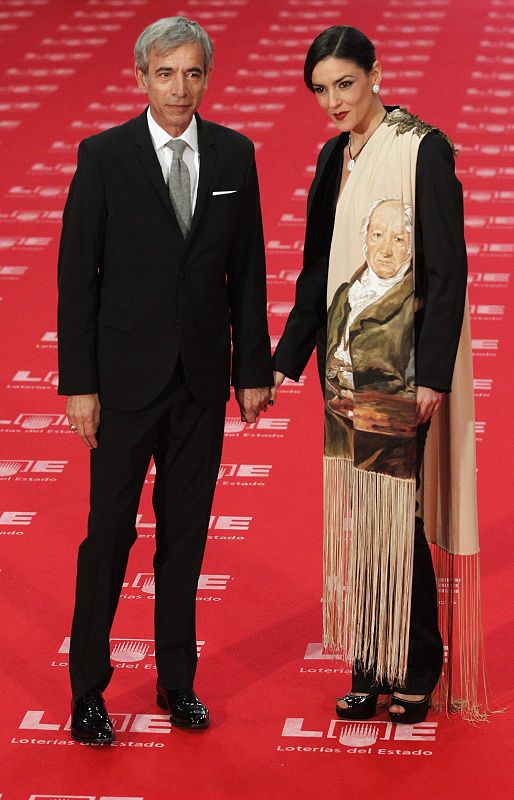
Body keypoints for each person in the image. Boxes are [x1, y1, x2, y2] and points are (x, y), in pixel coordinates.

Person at [58, 16, 272, 743]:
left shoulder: (236, 157)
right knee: (108, 536)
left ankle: (177, 683)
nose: (180, 88)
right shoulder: (104, 156)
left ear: (207, 77)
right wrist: (78, 384)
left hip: (201, 384)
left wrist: (252, 370)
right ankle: (87, 690)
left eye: (192, 73)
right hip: (120, 384)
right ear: (140, 78)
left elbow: (247, 272)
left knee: (185, 538)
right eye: (165, 73)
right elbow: (75, 279)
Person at [273, 26, 487, 724]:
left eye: (345, 83)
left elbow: (449, 270)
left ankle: (417, 665)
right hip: (344, 367)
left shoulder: (423, 148)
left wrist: (431, 374)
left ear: (375, 73)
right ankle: (370, 663)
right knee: (364, 518)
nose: (334, 101)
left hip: (399, 369)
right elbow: (313, 274)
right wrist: (282, 361)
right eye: (321, 91)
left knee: (396, 518)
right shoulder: (333, 159)